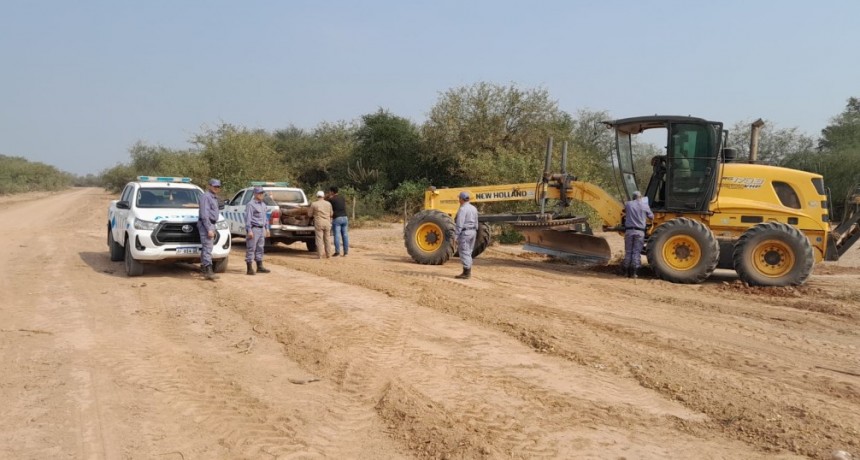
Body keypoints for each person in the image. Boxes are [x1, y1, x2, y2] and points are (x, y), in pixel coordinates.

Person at [622, 191, 654, 279]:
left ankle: (625, 272)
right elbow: (651, 216)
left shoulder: (628, 204)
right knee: (636, 252)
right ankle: (634, 273)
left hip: (629, 231)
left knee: (628, 251)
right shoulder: (645, 205)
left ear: (633, 197)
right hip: (640, 232)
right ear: (640, 197)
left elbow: (624, 211)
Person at [198, 178, 222, 281]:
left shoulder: (214, 197)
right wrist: (209, 228)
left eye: (218, 186)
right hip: (206, 225)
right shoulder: (206, 197)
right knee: (208, 248)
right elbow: (204, 214)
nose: (216, 188)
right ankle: (208, 271)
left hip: (211, 224)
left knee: (207, 248)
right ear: (210, 186)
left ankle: (204, 268)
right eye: (214, 186)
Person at [244, 186, 271, 275]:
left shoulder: (263, 205)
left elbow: (265, 218)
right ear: (255, 194)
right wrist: (249, 230)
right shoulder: (251, 204)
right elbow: (248, 218)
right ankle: (249, 268)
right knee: (251, 248)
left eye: (262, 193)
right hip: (254, 228)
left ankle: (259, 266)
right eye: (259, 193)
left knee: (260, 248)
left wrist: (267, 228)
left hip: (261, 229)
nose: (261, 195)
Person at [453, 191, 479, 279]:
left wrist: (456, 236)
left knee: (464, 252)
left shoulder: (463, 209)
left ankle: (466, 273)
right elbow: (476, 221)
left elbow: (459, 223)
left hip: (465, 233)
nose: (458, 200)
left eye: (459, 198)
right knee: (469, 252)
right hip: (473, 232)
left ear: (461, 199)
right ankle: (467, 271)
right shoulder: (473, 208)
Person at [307, 190, 333, 259]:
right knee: (327, 239)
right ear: (323, 196)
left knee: (319, 239)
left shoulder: (314, 204)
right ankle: (328, 255)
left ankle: (320, 255)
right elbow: (331, 214)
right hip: (327, 223)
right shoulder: (328, 204)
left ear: (317, 196)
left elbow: (309, 215)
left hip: (319, 223)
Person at [327, 186, 349, 256]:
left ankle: (337, 252)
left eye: (330, 191)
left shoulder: (331, 199)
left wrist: (328, 197)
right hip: (345, 217)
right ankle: (346, 252)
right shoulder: (342, 198)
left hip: (337, 218)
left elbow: (327, 204)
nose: (329, 193)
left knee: (337, 235)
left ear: (332, 192)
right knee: (345, 235)